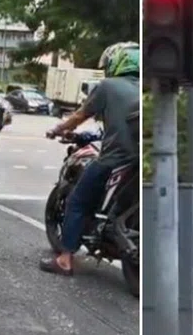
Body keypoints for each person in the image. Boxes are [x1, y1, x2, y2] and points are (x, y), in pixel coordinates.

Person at [39, 42, 140, 275]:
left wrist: (57, 129)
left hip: (114, 160)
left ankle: (64, 259)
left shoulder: (107, 87)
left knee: (77, 202)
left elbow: (80, 115)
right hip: (139, 163)